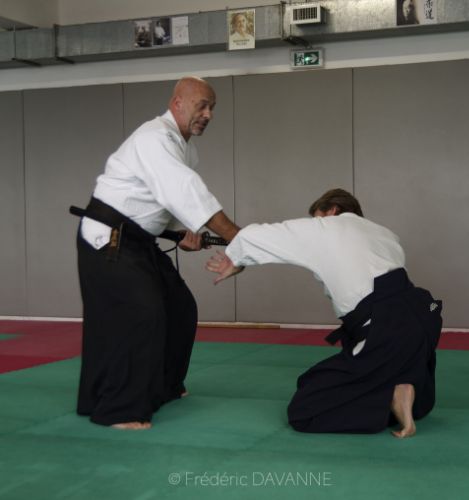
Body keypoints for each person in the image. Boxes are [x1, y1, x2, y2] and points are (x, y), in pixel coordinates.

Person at [206, 188, 442, 438]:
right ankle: (402, 384)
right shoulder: (384, 233)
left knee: (304, 411)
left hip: (384, 326)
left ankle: (390, 394)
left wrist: (236, 259)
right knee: (322, 377)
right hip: (423, 318)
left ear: (332, 211)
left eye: (316, 216)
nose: (314, 222)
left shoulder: (326, 227)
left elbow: (257, 236)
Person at [75, 77, 240, 430]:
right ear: (177, 103)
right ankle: (119, 409)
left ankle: (163, 386)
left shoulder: (185, 148)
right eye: (202, 105)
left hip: (138, 239)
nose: (208, 114)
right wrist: (239, 238)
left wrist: (184, 233)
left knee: (180, 307)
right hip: (108, 238)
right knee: (140, 313)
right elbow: (186, 191)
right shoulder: (155, 138)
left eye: (212, 108)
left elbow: (162, 200)